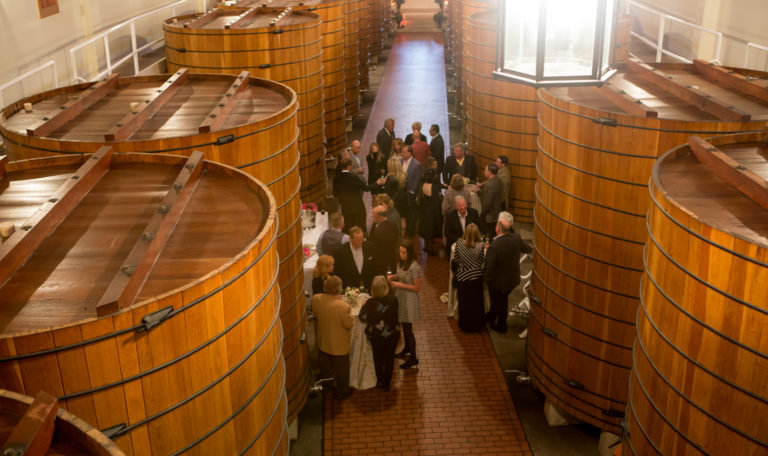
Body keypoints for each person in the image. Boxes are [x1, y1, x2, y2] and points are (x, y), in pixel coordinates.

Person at [484, 217, 532, 333]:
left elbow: (489, 268)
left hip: (498, 281)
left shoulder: (494, 246)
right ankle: (491, 316)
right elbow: (527, 249)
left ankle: (501, 325)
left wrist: (486, 280)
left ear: (498, 229)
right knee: (499, 299)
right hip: (512, 278)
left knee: (500, 301)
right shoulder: (516, 238)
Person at [312, 275, 354, 400]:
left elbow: (316, 314)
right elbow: (349, 324)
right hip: (339, 347)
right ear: (338, 289)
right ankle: (342, 392)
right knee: (342, 372)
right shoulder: (342, 306)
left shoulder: (316, 299)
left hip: (323, 343)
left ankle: (326, 388)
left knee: (325, 369)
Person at [358, 276, 400, 389]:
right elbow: (395, 317)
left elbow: (362, 317)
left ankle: (380, 381)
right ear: (386, 287)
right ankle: (387, 383)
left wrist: (363, 307)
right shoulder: (394, 300)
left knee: (378, 360)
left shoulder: (370, 303)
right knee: (389, 360)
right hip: (391, 335)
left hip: (377, 336)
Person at [388, 242, 421, 369]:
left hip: (409, 300)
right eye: (400, 251)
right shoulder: (402, 262)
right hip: (401, 298)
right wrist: (393, 277)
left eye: (404, 252)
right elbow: (402, 275)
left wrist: (398, 285)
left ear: (409, 253)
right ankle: (407, 348)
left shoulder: (414, 266)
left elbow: (417, 287)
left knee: (408, 329)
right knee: (404, 327)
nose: (401, 254)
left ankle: (413, 358)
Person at [451, 223, 485, 332]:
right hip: (476, 278)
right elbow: (481, 261)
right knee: (476, 304)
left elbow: (456, 260)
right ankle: (477, 326)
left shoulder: (459, 244)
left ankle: (465, 325)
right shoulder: (480, 246)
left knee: (464, 303)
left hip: (463, 277)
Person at [334, 158, 381, 234]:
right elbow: (366, 188)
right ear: (349, 166)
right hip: (358, 209)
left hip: (346, 210)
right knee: (360, 230)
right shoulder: (354, 177)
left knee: (348, 231)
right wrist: (377, 183)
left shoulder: (336, 179)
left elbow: (335, 194)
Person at [333, 226, 376, 290]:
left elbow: (374, 267)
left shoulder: (370, 247)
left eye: (362, 239)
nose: (361, 242)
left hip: (368, 289)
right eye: (357, 240)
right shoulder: (341, 251)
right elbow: (338, 273)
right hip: (350, 290)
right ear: (350, 238)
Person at [417, 157, 443, 256]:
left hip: (424, 209)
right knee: (432, 229)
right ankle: (430, 248)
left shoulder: (423, 183)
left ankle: (426, 246)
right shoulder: (435, 186)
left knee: (426, 227)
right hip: (433, 210)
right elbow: (438, 198)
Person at [368, 204, 399, 275]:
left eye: (373, 215)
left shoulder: (377, 231)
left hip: (380, 265)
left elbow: (373, 249)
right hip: (392, 261)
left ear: (379, 216)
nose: (372, 217)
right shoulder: (394, 226)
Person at [400, 144, 422, 238]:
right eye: (401, 152)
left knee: (411, 212)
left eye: (404, 152)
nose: (402, 154)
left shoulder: (416, 164)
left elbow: (417, 180)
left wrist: (412, 191)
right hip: (401, 192)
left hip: (410, 193)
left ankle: (411, 230)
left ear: (410, 153)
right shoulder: (400, 161)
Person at [383, 156, 408, 233]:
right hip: (403, 201)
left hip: (393, 202)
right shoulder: (404, 176)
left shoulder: (390, 178)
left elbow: (387, 193)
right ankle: (402, 236)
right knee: (403, 219)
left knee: (393, 221)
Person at [479, 163, 504, 237]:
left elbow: (487, 204)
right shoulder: (499, 181)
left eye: (485, 170)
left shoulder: (488, 186)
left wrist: (482, 215)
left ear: (490, 172)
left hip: (489, 217)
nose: (484, 172)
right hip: (497, 213)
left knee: (487, 236)